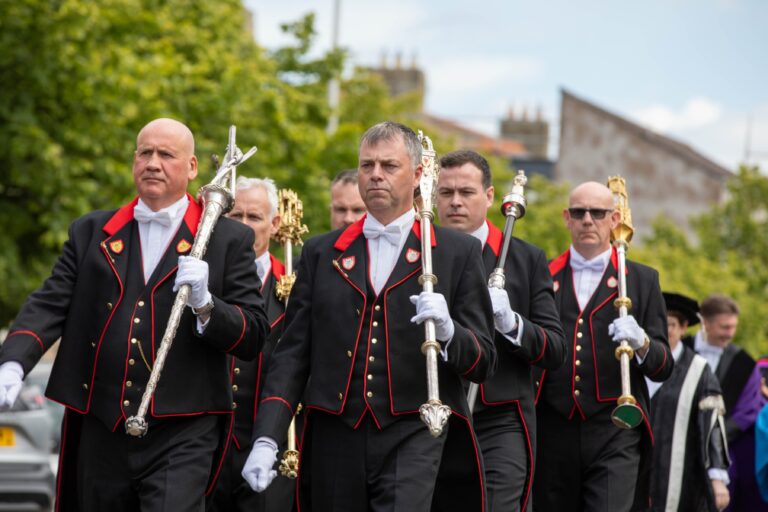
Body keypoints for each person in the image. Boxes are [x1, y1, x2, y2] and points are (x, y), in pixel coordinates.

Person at [0, 118, 268, 512]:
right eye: (145, 153)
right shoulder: (91, 231)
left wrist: (206, 303)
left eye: (166, 154)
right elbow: (50, 301)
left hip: (183, 431)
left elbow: (254, 334)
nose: (153, 163)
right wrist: (12, 362)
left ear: (192, 167)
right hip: (100, 426)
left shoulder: (229, 240)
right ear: (134, 162)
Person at [241, 121, 496, 512]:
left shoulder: (455, 253)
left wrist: (449, 332)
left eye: (388, 166)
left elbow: (483, 361)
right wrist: (268, 436)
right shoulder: (321, 253)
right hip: (334, 432)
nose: (375, 175)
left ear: (416, 175)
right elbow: (293, 353)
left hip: (414, 430)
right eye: (367, 165)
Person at [435, 150, 565, 512]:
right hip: (434, 412)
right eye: (446, 193)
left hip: (499, 421)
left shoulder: (526, 259)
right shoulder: (421, 254)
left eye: (467, 192)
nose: (456, 202)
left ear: (490, 196)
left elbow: (555, 349)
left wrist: (512, 323)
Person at [533, 181, 672, 511]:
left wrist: (641, 343)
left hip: (614, 429)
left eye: (597, 213)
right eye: (579, 212)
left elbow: (663, 365)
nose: (587, 220)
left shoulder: (641, 279)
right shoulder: (544, 274)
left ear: (613, 220)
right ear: (566, 218)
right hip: (553, 427)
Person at [208, 176, 293, 512]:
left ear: (273, 224)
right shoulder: (204, 280)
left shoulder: (294, 288)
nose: (244, 228)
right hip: (206, 446)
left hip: (266, 447)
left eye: (253, 218)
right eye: (235, 217)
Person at [647, 292, 730, 511]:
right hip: (634, 469)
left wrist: (717, 478)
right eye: (657, 324)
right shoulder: (634, 364)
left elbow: (712, 427)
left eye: (671, 325)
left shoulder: (698, 370)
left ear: (684, 328)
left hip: (680, 477)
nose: (665, 331)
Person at [684, 294, 767, 511]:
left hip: (723, 453)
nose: (730, 333)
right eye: (724, 327)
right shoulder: (681, 351)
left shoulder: (745, 363)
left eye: (733, 327)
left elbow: (748, 410)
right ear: (705, 323)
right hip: (678, 442)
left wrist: (714, 437)